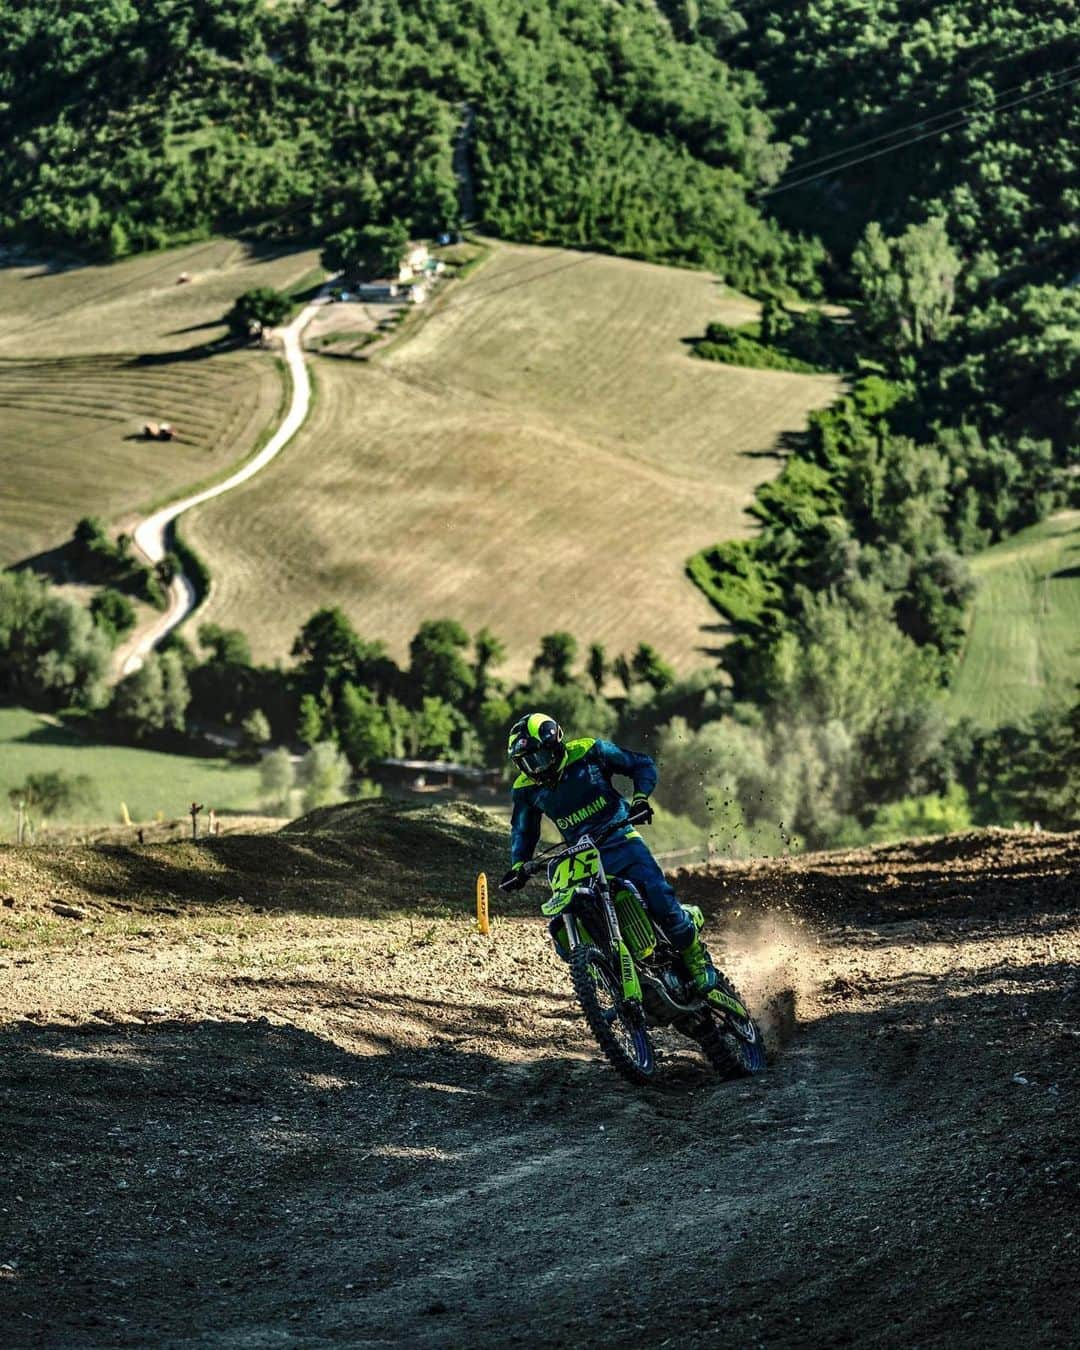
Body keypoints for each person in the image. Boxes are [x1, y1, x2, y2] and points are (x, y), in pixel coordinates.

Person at [499, 712, 721, 993]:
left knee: (658, 895)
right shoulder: (525, 789)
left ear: (555, 744)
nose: (535, 768)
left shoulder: (590, 751)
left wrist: (640, 799)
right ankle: (609, 973)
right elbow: (523, 829)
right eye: (527, 763)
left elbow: (641, 765)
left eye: (539, 757)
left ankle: (696, 956)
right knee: (573, 915)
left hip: (620, 838)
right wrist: (518, 864)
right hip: (581, 856)